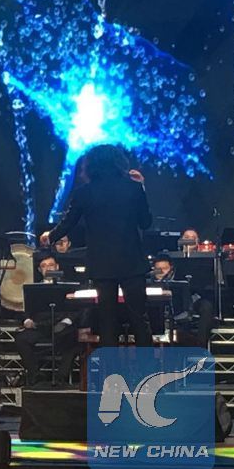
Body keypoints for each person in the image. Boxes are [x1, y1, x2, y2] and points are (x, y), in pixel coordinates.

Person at [40, 144, 153, 347]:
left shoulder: (84, 192)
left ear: (91, 165)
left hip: (102, 265)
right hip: (132, 262)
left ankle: (110, 366)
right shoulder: (133, 188)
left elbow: (68, 222)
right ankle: (147, 365)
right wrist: (141, 188)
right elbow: (145, 223)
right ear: (119, 162)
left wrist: (50, 236)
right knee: (139, 318)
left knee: (107, 322)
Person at [14, 253, 82, 387]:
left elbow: (78, 309)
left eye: (51, 265)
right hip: (40, 326)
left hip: (63, 326)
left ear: (57, 266)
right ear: (40, 270)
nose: (48, 268)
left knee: (74, 338)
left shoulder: (70, 286)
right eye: (44, 266)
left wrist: (67, 321)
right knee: (21, 339)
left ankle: (62, 377)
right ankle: (36, 375)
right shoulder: (34, 289)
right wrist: (27, 320)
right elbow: (24, 309)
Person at [150, 253, 214, 347]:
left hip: (183, 308)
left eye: (165, 268)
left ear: (171, 268)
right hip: (156, 311)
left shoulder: (181, 278)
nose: (161, 271)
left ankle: (201, 345)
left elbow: (194, 292)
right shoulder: (148, 280)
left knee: (206, 306)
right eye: (158, 269)